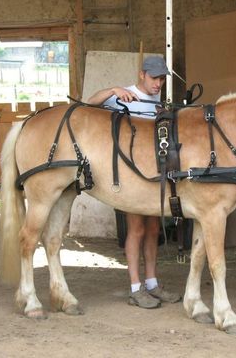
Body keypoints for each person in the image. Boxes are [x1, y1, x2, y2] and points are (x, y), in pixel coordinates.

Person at [87, 56, 181, 309]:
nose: (158, 83)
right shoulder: (123, 95)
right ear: (142, 75)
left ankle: (152, 284)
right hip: (130, 174)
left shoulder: (159, 103)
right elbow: (89, 103)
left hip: (153, 174)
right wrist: (113, 90)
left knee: (153, 230)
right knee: (136, 229)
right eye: (154, 78)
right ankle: (135, 288)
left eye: (161, 79)